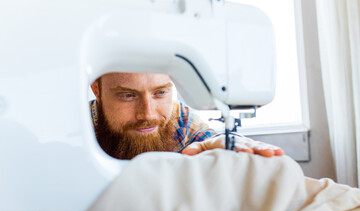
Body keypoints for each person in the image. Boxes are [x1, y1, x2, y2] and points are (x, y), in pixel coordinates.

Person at [90, 72, 284, 160]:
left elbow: (211, 141)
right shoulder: (73, 126)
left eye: (160, 93)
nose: (147, 114)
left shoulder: (180, 119)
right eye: (128, 95)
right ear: (97, 90)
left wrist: (222, 143)